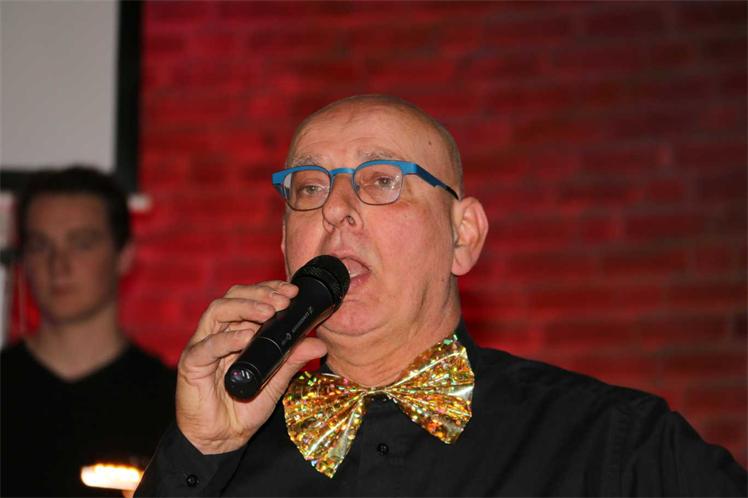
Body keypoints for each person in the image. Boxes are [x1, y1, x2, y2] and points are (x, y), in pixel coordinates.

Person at [135, 95, 746, 496]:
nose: (336, 208)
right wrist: (201, 451)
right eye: (309, 187)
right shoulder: (218, 461)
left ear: (463, 236)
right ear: (285, 245)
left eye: (381, 180)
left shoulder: (611, 444)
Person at [1, 166, 176, 497]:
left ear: (124, 255)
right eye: (40, 245)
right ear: (23, 260)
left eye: (81, 243)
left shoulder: (173, 404)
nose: (59, 265)